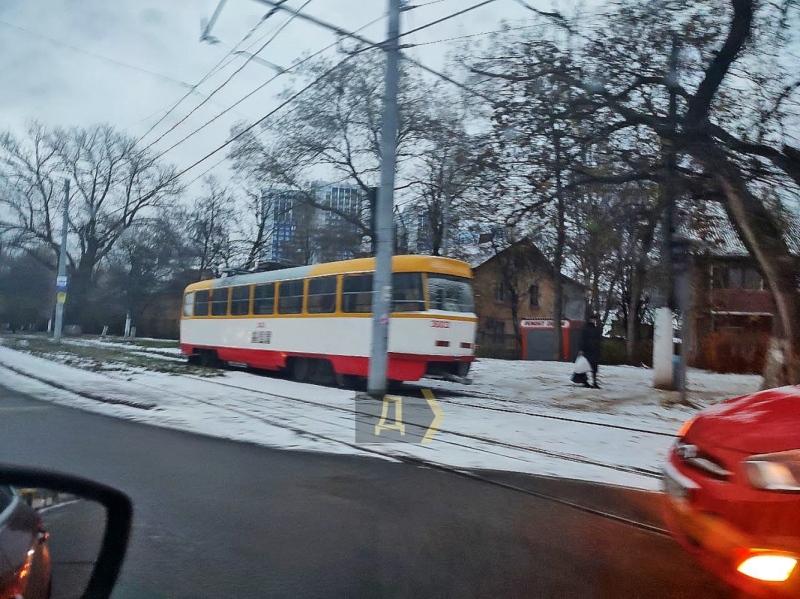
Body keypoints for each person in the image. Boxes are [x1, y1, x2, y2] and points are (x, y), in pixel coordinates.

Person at [578, 312, 602, 389]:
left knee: (594, 367)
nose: (593, 320)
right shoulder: (585, 328)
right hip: (587, 350)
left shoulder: (594, 328)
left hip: (594, 350)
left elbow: (597, 339)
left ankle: (594, 382)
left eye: (594, 319)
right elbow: (582, 339)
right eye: (592, 319)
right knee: (585, 366)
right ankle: (584, 381)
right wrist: (581, 349)